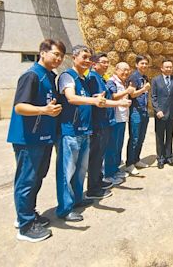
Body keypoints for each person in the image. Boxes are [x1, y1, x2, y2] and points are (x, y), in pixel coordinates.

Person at [7, 39, 65, 242]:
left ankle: (28, 214)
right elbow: (19, 107)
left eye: (61, 56)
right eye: (55, 54)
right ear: (42, 53)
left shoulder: (49, 76)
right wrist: (44, 110)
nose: (58, 59)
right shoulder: (31, 76)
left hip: (44, 137)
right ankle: (25, 227)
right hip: (28, 138)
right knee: (26, 181)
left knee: (36, 179)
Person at [56, 45, 108, 222]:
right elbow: (71, 98)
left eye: (89, 58)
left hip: (85, 131)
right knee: (67, 172)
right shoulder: (67, 77)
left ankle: (77, 198)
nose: (87, 61)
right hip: (70, 132)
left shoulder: (84, 80)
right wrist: (94, 100)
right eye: (84, 57)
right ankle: (65, 208)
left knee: (80, 170)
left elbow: (96, 102)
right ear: (74, 57)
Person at [86, 53, 131, 194]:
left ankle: (101, 179)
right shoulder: (94, 78)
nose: (106, 65)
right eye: (103, 62)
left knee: (108, 150)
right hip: (100, 122)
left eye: (107, 62)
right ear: (94, 64)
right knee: (102, 153)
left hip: (108, 120)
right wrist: (120, 100)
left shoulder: (100, 78)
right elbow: (100, 100)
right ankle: (99, 182)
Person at [106, 62, 135, 179]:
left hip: (122, 118)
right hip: (115, 119)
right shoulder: (111, 81)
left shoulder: (123, 82)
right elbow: (112, 96)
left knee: (118, 146)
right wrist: (127, 91)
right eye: (123, 70)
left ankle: (115, 169)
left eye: (128, 70)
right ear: (116, 70)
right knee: (111, 147)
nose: (126, 72)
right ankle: (109, 173)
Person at [151, 59, 173, 169]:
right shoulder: (155, 80)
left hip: (172, 113)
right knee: (159, 136)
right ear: (162, 68)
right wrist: (157, 110)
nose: (169, 69)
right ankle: (160, 158)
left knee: (170, 136)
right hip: (160, 113)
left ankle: (169, 157)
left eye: (170, 67)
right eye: (167, 67)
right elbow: (153, 97)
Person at [125, 55, 151, 175]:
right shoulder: (134, 77)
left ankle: (136, 160)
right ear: (136, 65)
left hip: (144, 110)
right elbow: (132, 94)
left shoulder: (144, 77)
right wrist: (144, 89)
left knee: (141, 137)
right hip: (135, 111)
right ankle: (129, 164)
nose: (144, 65)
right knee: (134, 138)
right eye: (142, 63)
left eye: (146, 63)